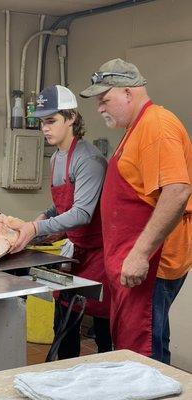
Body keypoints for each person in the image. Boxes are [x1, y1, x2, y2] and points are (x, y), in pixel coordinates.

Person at [80, 58, 192, 364]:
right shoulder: (136, 128)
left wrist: (141, 253)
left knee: (144, 355)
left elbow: (178, 190)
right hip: (134, 262)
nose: (100, 109)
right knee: (137, 347)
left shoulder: (156, 126)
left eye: (104, 100)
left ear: (128, 93)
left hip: (153, 263)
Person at [9, 85, 112, 358]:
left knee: (105, 333)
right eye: (42, 121)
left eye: (51, 120)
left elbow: (81, 213)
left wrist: (35, 228)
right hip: (75, 252)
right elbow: (62, 204)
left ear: (71, 118)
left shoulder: (88, 159)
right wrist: (44, 216)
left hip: (100, 254)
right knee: (64, 324)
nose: (45, 128)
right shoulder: (56, 158)